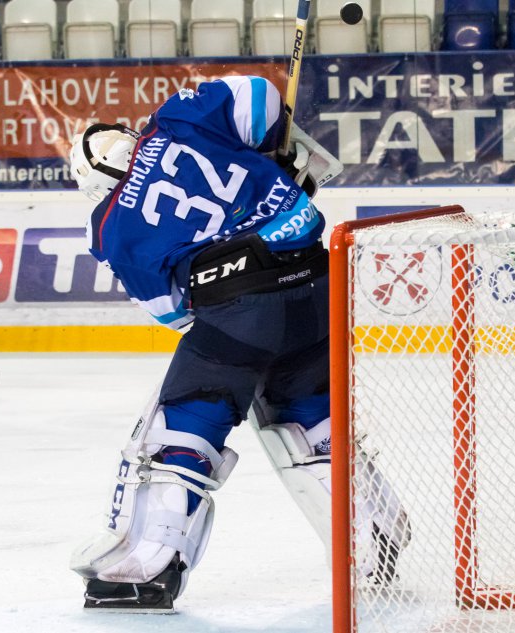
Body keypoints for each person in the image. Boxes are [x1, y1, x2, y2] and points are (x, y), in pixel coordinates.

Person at [66, 76, 408, 611]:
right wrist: (271, 152)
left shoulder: (109, 225)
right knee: (311, 421)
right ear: (128, 136)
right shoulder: (176, 119)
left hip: (239, 311)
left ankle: (147, 568)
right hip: (318, 285)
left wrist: (239, 329)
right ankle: (373, 537)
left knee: (183, 426)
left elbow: (172, 312)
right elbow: (260, 98)